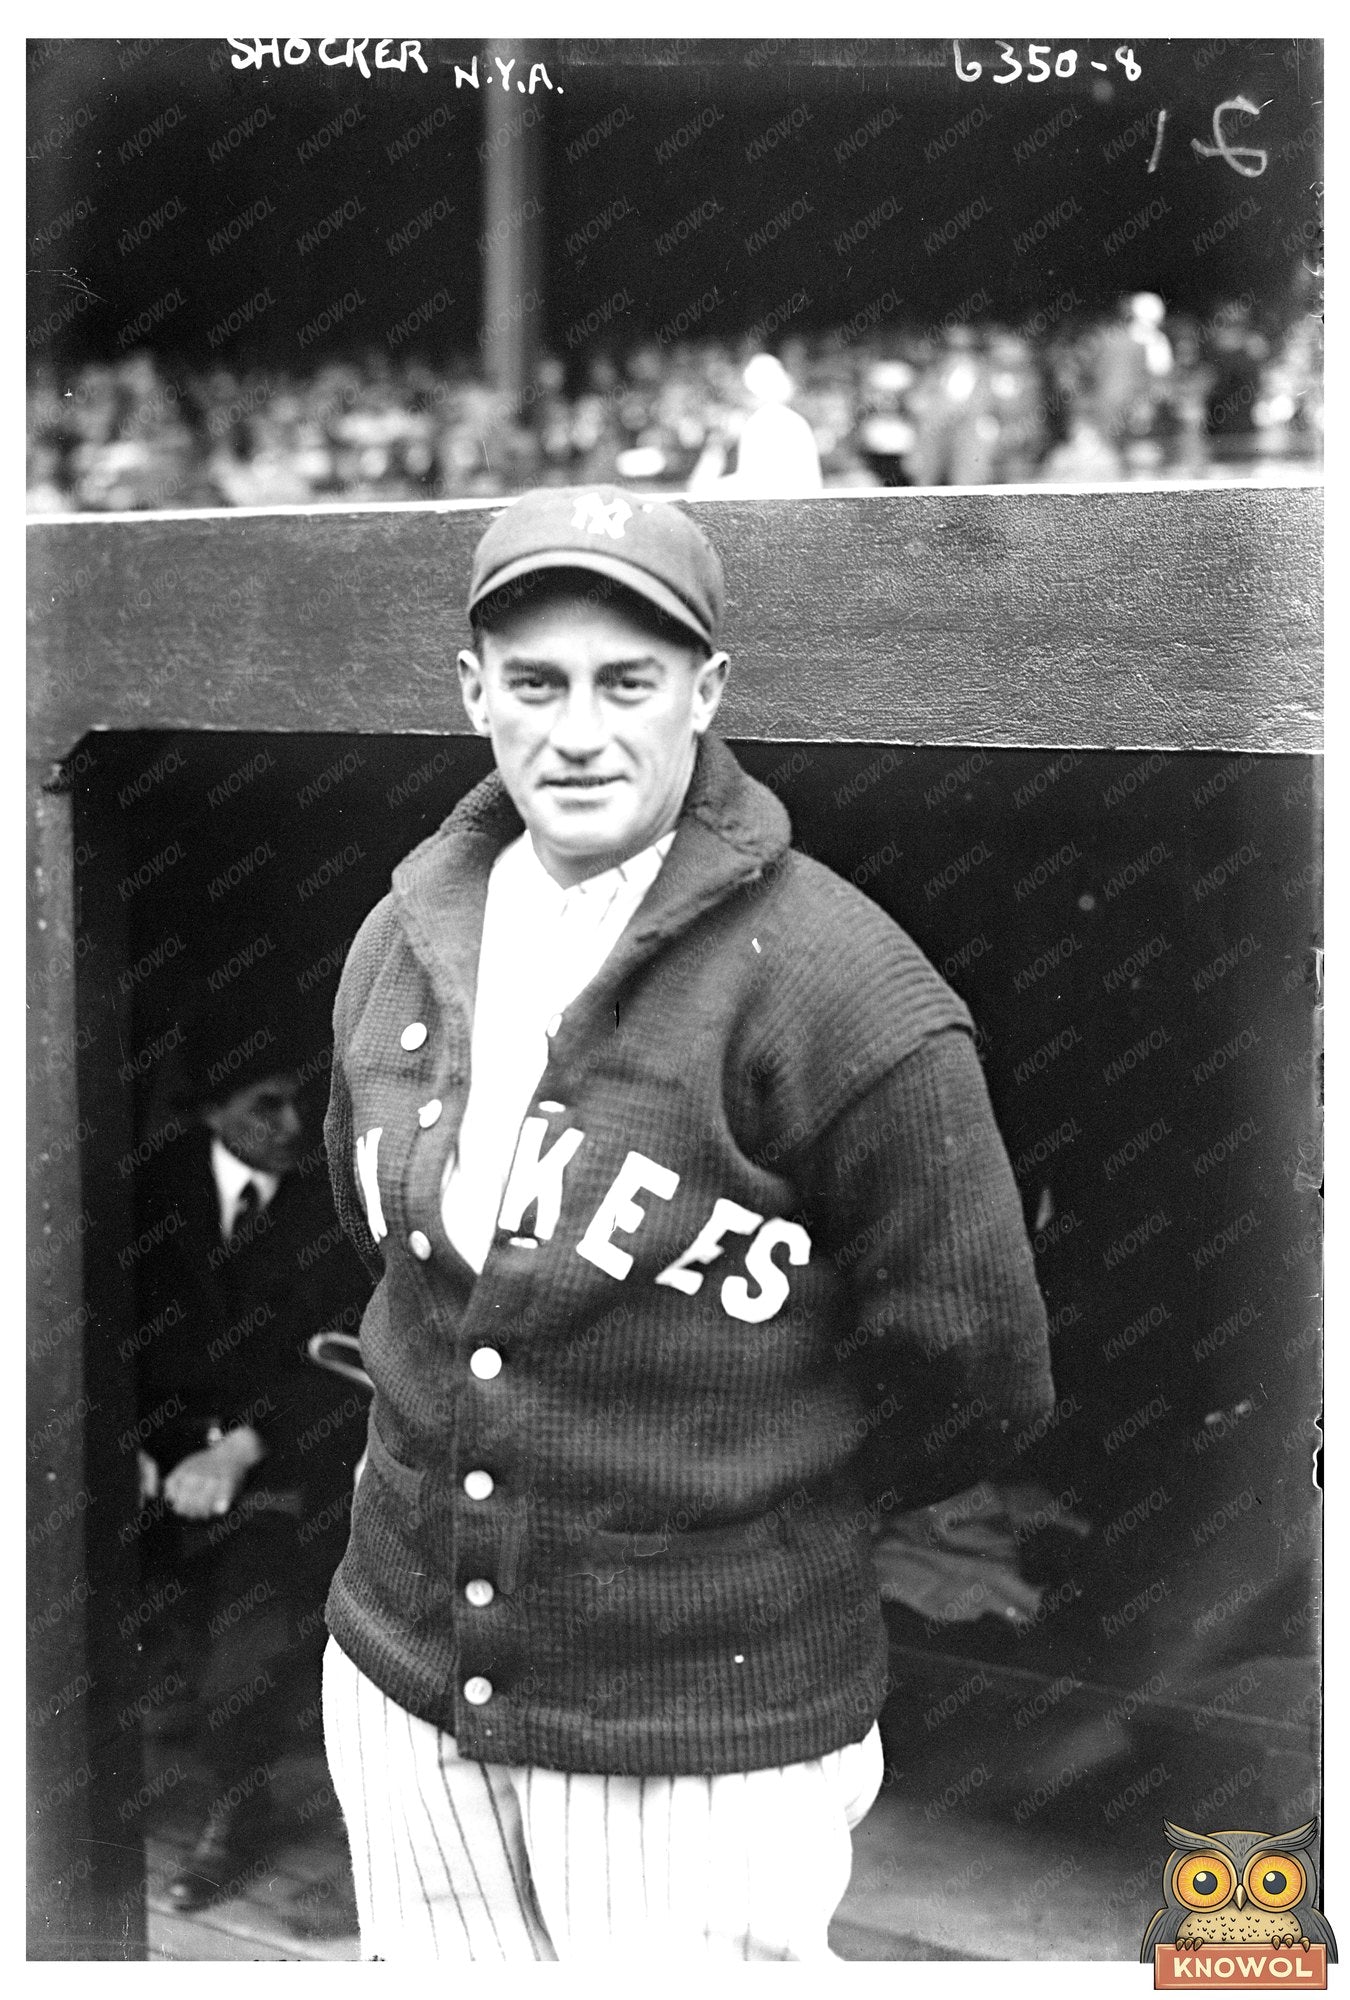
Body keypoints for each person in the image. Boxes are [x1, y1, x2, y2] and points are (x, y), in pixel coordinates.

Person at [320, 486, 1055, 1962]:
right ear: (474, 694)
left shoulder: (843, 990)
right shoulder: (402, 940)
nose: (575, 731)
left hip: (698, 1721)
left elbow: (975, 1378)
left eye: (625, 684)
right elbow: (403, 1266)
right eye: (533, 684)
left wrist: (741, 1498)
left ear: (705, 694)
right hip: (404, 1680)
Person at [132, 1017, 371, 1909]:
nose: (290, 1123)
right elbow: (95, 1333)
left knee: (250, 1639)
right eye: (265, 1102)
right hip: (148, 1468)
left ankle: (235, 1819)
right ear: (211, 1109)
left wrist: (243, 1445)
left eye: (303, 1104)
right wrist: (125, 1450)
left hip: (281, 1473)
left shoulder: (333, 1214)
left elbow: (343, 1361)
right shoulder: (148, 1200)